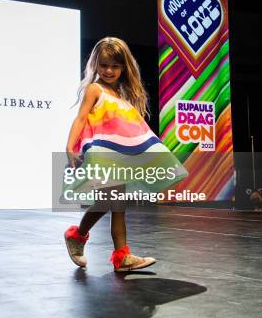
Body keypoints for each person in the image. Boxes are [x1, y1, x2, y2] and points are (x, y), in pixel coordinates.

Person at [63, 37, 186, 271]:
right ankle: (108, 250)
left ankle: (104, 248)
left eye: (115, 66)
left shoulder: (121, 95)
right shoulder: (95, 89)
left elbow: (129, 127)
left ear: (123, 67)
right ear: (96, 64)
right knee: (112, 201)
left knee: (114, 203)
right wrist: (70, 147)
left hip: (120, 155)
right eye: (104, 65)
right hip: (103, 152)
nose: (109, 71)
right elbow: (81, 118)